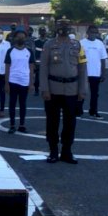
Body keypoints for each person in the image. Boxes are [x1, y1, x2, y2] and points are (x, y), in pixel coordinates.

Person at [39, 17, 87, 164]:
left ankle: (67, 151)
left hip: (72, 90)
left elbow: (82, 68)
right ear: (56, 27)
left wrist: (82, 90)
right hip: (53, 89)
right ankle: (53, 151)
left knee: (70, 123)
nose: (64, 28)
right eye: (61, 25)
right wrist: (45, 89)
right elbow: (44, 67)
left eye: (66, 25)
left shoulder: (77, 45)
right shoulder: (49, 44)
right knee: (52, 122)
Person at [4, 30, 34, 134]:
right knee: (12, 103)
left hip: (24, 81)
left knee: (23, 104)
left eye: (23, 37)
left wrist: (31, 83)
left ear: (25, 38)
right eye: (18, 37)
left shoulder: (29, 51)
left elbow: (31, 68)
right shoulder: (10, 51)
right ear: (14, 38)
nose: (21, 38)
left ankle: (22, 125)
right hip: (12, 80)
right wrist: (6, 83)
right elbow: (7, 68)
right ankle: (12, 125)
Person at [79, 25, 107, 119]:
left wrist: (103, 73)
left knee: (95, 94)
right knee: (82, 92)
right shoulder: (81, 43)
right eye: (91, 32)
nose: (93, 34)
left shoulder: (100, 44)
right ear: (87, 33)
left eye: (95, 32)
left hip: (96, 73)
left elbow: (103, 59)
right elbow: (78, 59)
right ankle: (78, 110)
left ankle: (93, 111)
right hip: (83, 73)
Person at [34, 27, 48, 96]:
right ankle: (36, 90)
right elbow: (34, 51)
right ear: (39, 33)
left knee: (46, 77)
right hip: (38, 62)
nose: (43, 33)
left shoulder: (48, 41)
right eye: (41, 31)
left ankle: (45, 90)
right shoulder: (35, 41)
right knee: (37, 77)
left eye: (44, 31)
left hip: (46, 62)